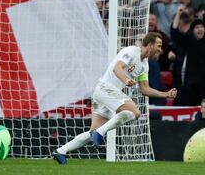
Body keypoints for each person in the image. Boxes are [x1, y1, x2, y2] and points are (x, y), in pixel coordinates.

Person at [52, 32, 177, 164]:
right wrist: (126, 80)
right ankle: (100, 133)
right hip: (106, 88)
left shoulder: (145, 65)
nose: (160, 49)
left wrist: (165, 94)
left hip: (105, 94)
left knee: (92, 132)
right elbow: (117, 68)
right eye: (158, 45)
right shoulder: (131, 51)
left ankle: (61, 151)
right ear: (150, 45)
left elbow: (144, 89)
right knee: (135, 112)